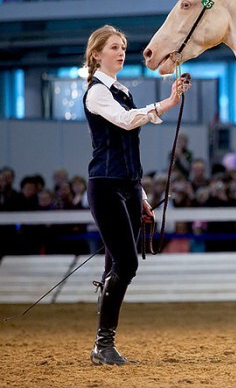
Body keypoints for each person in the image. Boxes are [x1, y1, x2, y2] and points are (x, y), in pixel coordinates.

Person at [82, 25, 191, 365]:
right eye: (114, 47)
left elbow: (129, 145)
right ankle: (103, 344)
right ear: (97, 54)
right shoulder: (97, 93)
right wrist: (168, 102)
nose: (121, 51)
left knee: (117, 263)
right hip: (105, 185)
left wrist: (141, 194)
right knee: (126, 263)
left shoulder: (121, 90)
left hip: (128, 185)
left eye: (123, 47)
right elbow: (127, 122)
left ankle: (103, 341)